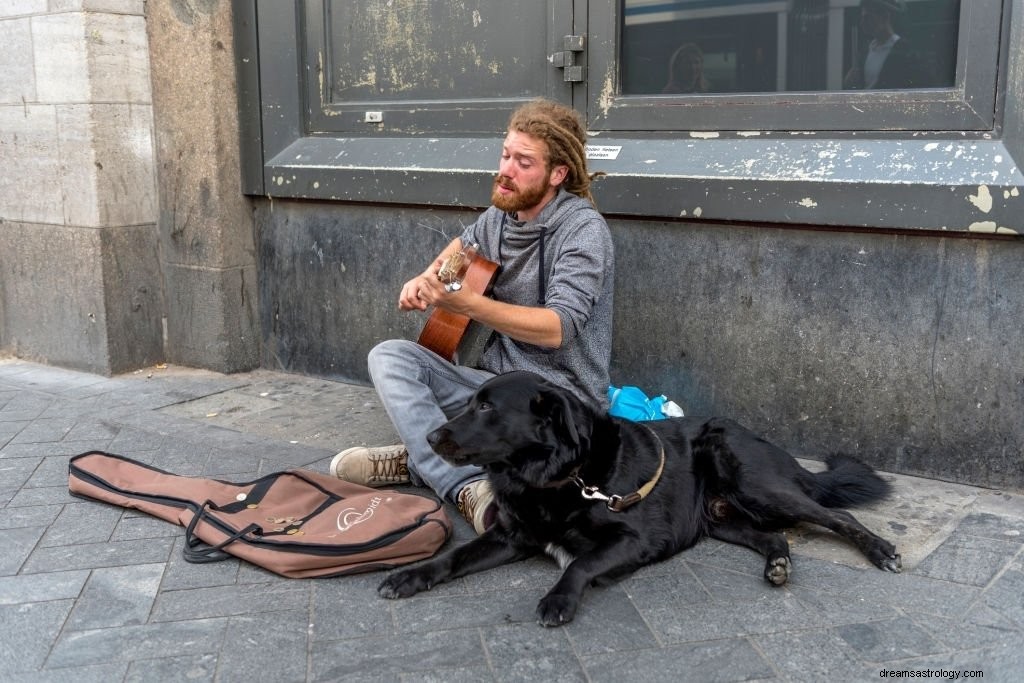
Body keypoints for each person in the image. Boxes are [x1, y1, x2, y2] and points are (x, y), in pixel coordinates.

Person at [330, 99, 615, 534]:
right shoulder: (498, 219)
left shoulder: (583, 231)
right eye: (505, 155)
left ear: (557, 174)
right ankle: (446, 468)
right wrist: (424, 281)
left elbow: (559, 328)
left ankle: (437, 471)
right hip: (493, 392)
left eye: (524, 162)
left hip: (557, 405)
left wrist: (470, 306)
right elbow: (457, 256)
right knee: (390, 356)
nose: (507, 170)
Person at [844, 0, 935, 90]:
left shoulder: (905, 51)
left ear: (885, 17)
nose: (862, 23)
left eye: (868, 17)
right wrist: (849, 82)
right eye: (862, 18)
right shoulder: (866, 51)